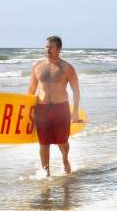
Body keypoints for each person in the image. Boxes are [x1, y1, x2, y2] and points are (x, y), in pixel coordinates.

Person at [27, 36, 82, 177]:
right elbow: (31, 89)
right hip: (42, 109)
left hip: (60, 108)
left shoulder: (67, 68)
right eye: (46, 47)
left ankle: (65, 159)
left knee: (62, 141)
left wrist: (75, 112)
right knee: (43, 143)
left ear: (58, 49)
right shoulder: (37, 66)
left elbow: (76, 90)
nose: (47, 50)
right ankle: (46, 172)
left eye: (50, 47)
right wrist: (28, 112)